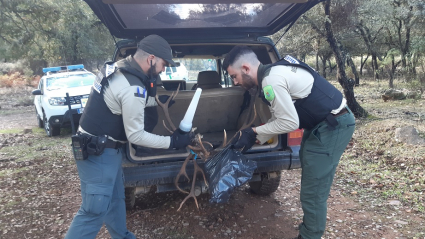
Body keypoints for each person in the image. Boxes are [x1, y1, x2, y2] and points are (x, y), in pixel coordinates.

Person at [65, 35, 193, 239]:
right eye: (163, 64)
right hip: (97, 153)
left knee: (115, 200)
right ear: (151, 58)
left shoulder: (119, 68)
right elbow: (136, 136)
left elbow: (120, 102)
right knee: (94, 210)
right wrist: (172, 142)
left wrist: (156, 101)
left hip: (107, 149)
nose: (163, 70)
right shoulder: (132, 86)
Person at [223, 46, 355, 239]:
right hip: (320, 124)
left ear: (245, 68)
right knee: (310, 173)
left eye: (234, 76)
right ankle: (310, 228)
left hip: (332, 126)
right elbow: (279, 118)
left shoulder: (271, 81)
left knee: (313, 192)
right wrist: (256, 137)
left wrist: (253, 132)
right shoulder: (273, 73)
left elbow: (289, 122)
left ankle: (309, 235)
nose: (234, 82)